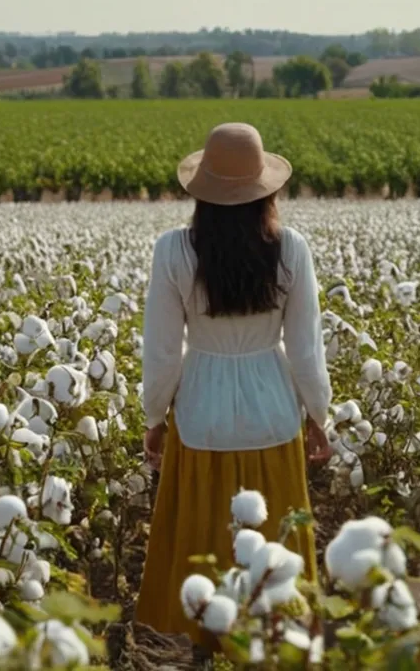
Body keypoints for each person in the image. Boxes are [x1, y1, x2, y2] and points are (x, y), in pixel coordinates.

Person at [134, 122, 333, 651]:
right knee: (275, 545)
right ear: (265, 190)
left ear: (202, 192)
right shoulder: (291, 249)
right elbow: (307, 348)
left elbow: (161, 350)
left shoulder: (173, 251)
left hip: (200, 414)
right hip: (273, 414)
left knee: (200, 543)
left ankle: (202, 644)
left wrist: (156, 417)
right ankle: (276, 644)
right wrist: (318, 415)